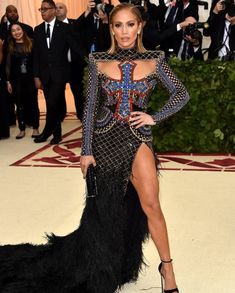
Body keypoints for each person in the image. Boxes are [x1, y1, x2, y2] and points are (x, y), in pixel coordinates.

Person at [0, 3, 189, 292]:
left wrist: (154, 116)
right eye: (117, 25)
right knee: (104, 210)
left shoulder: (156, 60)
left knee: (151, 206)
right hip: (104, 140)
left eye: (129, 24)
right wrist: (85, 150)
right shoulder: (98, 61)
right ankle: (103, 263)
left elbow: (181, 94)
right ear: (111, 28)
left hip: (138, 139)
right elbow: (89, 110)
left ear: (139, 27)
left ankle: (168, 268)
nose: (124, 31)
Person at [33, 0, 85, 145]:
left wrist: (90, 60)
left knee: (52, 102)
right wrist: (36, 76)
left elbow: (76, 47)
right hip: (44, 74)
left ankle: (47, 131)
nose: (42, 12)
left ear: (53, 10)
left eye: (45, 9)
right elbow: (36, 55)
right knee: (53, 104)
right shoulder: (37, 30)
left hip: (60, 74)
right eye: (41, 9)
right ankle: (57, 134)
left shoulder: (65, 28)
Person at [6, 23, 40, 139]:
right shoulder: (10, 45)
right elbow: (8, 65)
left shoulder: (32, 43)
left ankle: (36, 128)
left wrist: (38, 77)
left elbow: (37, 62)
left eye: (18, 29)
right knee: (19, 104)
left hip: (30, 78)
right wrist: (8, 81)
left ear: (23, 30)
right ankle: (22, 129)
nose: (17, 32)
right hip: (16, 80)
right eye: (13, 31)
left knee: (33, 103)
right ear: (11, 34)